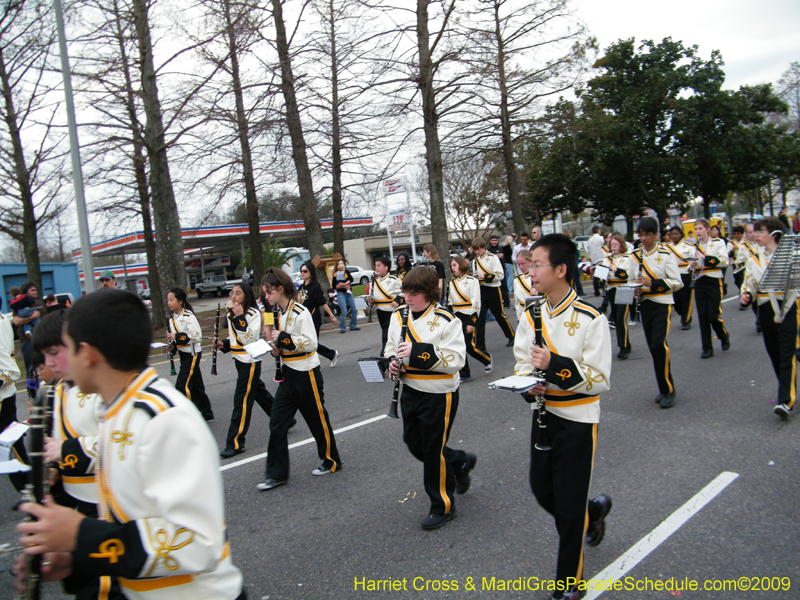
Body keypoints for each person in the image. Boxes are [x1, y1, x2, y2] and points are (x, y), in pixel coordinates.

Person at [16, 289, 246, 599]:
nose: (60, 361)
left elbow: (199, 543)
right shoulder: (115, 409)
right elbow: (133, 518)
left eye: (67, 348)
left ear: (88, 355)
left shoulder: (162, 419)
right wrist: (75, 556)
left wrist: (83, 535)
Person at [513, 233, 612, 600]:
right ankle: (594, 511)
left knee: (568, 509)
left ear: (561, 269)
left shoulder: (590, 318)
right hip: (543, 416)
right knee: (543, 490)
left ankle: (570, 585)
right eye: (529, 264)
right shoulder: (531, 313)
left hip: (578, 419)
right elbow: (522, 361)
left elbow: (599, 379)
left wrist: (554, 367)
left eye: (537, 264)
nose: (530, 271)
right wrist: (527, 385)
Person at [384, 267, 476, 531]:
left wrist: (418, 352)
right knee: (414, 444)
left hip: (439, 393)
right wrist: (392, 363)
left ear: (428, 292)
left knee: (433, 451)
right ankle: (459, 461)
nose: (408, 298)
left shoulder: (448, 319)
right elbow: (391, 348)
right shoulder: (398, 316)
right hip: (410, 390)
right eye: (405, 292)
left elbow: (457, 360)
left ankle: (443, 506)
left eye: (413, 293)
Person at [257, 269, 342, 491]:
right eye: (265, 293)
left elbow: (311, 344)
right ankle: (276, 474)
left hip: (307, 374)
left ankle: (332, 460)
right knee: (276, 423)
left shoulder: (300, 312)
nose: (266, 296)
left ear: (281, 289)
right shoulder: (277, 313)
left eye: (269, 292)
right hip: (287, 375)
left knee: (317, 420)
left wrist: (283, 338)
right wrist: (275, 348)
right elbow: (279, 340)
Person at [740, 217, 797, 419]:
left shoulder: (792, 255)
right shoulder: (753, 258)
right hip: (766, 310)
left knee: (787, 353)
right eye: (755, 231)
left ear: (774, 234)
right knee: (775, 353)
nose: (756, 235)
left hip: (789, 306)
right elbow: (749, 284)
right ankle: (788, 388)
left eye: (760, 231)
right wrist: (746, 294)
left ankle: (785, 401)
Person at [629, 218, 683, 408]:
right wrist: (634, 288)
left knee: (659, 344)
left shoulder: (665, 253)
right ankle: (663, 388)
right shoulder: (634, 256)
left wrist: (653, 283)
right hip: (645, 304)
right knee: (653, 348)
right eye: (640, 235)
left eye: (647, 235)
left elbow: (677, 282)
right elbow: (630, 280)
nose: (643, 238)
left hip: (662, 303)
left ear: (656, 234)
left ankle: (669, 389)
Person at [216, 282, 274, 458]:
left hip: (249, 360)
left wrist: (239, 317)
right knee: (258, 392)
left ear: (246, 296)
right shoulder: (231, 313)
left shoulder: (253, 313)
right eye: (232, 293)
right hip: (238, 359)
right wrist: (223, 344)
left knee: (241, 401)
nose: (233, 297)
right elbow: (234, 337)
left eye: (238, 294)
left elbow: (248, 338)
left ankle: (235, 443)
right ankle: (284, 420)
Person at [167, 287, 214, 422]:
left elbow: (196, 337)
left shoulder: (188, 316)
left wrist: (176, 336)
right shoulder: (172, 319)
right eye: (168, 300)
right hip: (183, 353)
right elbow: (175, 339)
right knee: (196, 385)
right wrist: (171, 346)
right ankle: (207, 413)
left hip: (192, 353)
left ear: (180, 301)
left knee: (182, 385)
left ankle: (188, 416)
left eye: (172, 300)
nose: (169, 303)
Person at [448, 255, 492, 382]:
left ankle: (487, 359)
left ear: (462, 265)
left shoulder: (472, 281)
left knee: (469, 346)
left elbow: (476, 303)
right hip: (456, 317)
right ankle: (465, 374)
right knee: (459, 346)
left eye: (455, 265)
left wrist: (473, 322)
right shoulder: (451, 283)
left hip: (468, 316)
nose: (453, 268)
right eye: (451, 266)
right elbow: (450, 301)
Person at [691, 219, 730, 359]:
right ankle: (707, 348)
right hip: (700, 282)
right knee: (702, 316)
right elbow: (694, 264)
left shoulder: (718, 243)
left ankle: (723, 334)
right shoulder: (694, 246)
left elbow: (724, 261)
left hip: (714, 280)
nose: (698, 232)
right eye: (696, 229)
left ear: (707, 229)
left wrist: (705, 257)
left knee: (713, 315)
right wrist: (691, 265)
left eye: (700, 228)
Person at [1, 308, 28, 495]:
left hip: (2, 397)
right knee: (11, 441)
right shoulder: (3, 319)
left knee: (9, 443)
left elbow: (11, 370)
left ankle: (28, 488)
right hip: (6, 395)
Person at [472, 237, 515, 350]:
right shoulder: (474, 261)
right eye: (475, 250)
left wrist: (485, 276)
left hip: (493, 289)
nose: (477, 252)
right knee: (480, 318)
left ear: (483, 247)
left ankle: (511, 336)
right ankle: (480, 344)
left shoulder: (492, 258)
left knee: (499, 315)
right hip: (481, 290)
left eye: (478, 250)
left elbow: (500, 275)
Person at [297, 260, 339, 366]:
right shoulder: (301, 287)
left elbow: (322, 302)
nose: (302, 273)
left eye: (305, 271)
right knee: (306, 341)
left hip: (313, 317)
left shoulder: (315, 286)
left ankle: (328, 355)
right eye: (301, 271)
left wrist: (332, 316)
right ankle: (331, 354)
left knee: (312, 342)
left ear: (311, 272)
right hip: (303, 318)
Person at [602, 234, 633, 359]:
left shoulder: (628, 258)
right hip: (611, 289)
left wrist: (615, 270)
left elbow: (627, 275)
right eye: (611, 245)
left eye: (616, 244)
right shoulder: (607, 258)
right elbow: (603, 277)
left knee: (621, 318)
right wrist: (602, 276)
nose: (613, 247)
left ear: (621, 245)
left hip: (624, 289)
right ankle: (627, 343)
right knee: (616, 318)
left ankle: (623, 347)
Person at [367, 256, 403, 356]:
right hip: (380, 311)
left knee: (386, 336)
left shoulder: (394, 280)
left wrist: (397, 301)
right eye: (375, 266)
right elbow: (371, 296)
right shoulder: (373, 282)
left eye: (379, 266)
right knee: (387, 334)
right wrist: (369, 301)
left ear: (386, 267)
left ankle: (383, 361)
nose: (376, 268)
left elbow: (403, 293)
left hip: (391, 312)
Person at [664, 226, 695, 330]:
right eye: (672, 234)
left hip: (685, 274)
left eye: (676, 234)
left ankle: (686, 320)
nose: (674, 236)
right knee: (676, 299)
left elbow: (693, 259)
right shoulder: (666, 247)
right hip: (672, 275)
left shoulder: (688, 246)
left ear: (681, 234)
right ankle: (682, 313)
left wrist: (691, 268)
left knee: (685, 298)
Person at [12, 281, 41, 378]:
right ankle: (32, 389)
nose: (35, 292)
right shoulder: (19, 305)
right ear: (25, 292)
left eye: (36, 290)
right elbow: (17, 321)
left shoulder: (39, 303)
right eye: (32, 290)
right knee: (31, 367)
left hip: (41, 338)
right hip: (27, 340)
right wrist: (33, 317)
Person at [332, 258, 360, 333]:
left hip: (348, 293)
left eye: (342, 263)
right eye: (340, 263)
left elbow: (351, 279)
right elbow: (334, 285)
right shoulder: (336, 274)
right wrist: (343, 286)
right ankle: (342, 328)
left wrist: (345, 284)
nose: (342, 265)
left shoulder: (346, 272)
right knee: (344, 311)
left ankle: (353, 326)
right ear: (337, 266)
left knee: (354, 310)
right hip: (341, 293)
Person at [513, 249, 537, 322]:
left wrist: (538, 293)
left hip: (535, 313)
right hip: (523, 315)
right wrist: (519, 317)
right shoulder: (517, 280)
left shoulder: (539, 276)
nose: (521, 267)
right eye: (519, 264)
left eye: (523, 264)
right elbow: (517, 302)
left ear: (530, 262)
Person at [487, 235, 510, 308]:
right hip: (494, 272)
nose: (494, 242)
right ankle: (497, 303)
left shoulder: (500, 248)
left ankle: (507, 303)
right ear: (490, 241)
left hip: (502, 270)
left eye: (495, 240)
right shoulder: (489, 250)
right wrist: (497, 256)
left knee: (504, 287)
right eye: (493, 240)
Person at [710, 224, 729, 295]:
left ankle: (722, 288)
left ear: (718, 231)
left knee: (721, 276)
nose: (713, 232)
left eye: (715, 230)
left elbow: (728, 249)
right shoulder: (709, 240)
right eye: (712, 230)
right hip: (713, 261)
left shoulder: (723, 240)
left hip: (722, 260)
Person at [586, 226, 605, 297]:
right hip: (601, 258)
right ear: (599, 231)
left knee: (596, 277)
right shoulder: (601, 238)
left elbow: (588, 249)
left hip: (594, 259)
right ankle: (604, 290)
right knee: (603, 276)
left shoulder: (589, 240)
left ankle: (596, 291)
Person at [502, 235, 515, 300]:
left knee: (506, 276)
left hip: (504, 262)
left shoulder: (503, 246)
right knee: (510, 276)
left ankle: (506, 288)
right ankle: (509, 289)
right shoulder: (508, 247)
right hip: (509, 262)